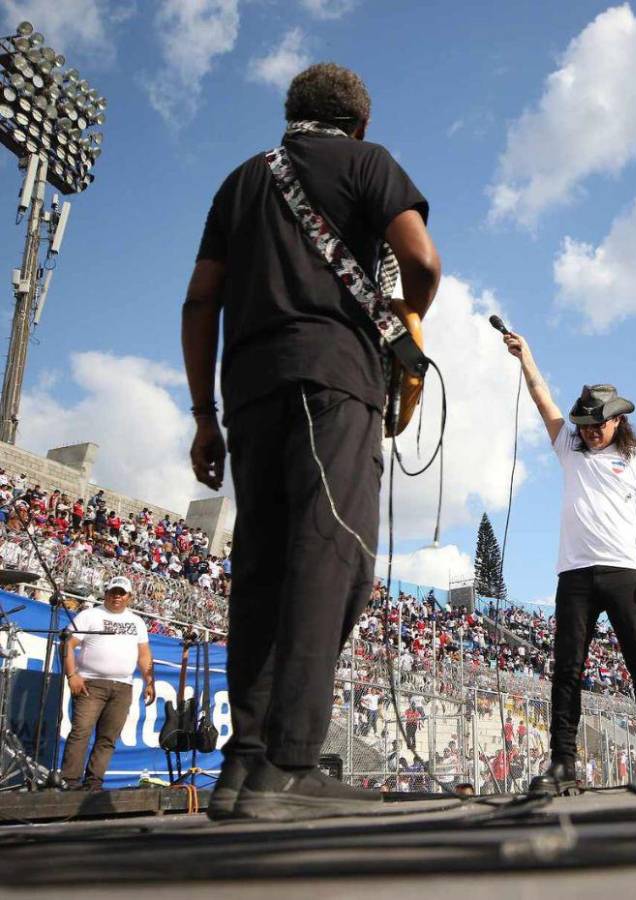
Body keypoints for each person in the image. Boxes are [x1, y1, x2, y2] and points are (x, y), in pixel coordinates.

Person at [182, 62, 440, 821]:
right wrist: (401, 318)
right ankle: (290, 766)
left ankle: (245, 767)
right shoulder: (369, 163)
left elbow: (201, 299)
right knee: (334, 564)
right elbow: (421, 261)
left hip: (248, 392)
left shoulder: (239, 182)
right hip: (333, 381)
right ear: (360, 122)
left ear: (293, 113)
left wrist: (203, 413)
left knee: (261, 569)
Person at [502, 332, 636, 794]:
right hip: (574, 574)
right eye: (584, 424)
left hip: (623, 572)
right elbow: (541, 396)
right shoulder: (569, 445)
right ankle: (562, 764)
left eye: (597, 425)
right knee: (567, 668)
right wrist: (526, 356)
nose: (589, 431)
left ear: (617, 420)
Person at [60, 576, 155, 790]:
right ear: (106, 594)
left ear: (129, 597)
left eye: (121, 593)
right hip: (90, 684)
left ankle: (94, 783)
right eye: (113, 592)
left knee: (108, 738)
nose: (117, 597)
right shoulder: (90, 615)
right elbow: (67, 642)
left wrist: (150, 681)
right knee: (81, 732)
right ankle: (69, 781)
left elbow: (144, 655)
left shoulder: (137, 622)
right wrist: (72, 675)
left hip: (123, 687)